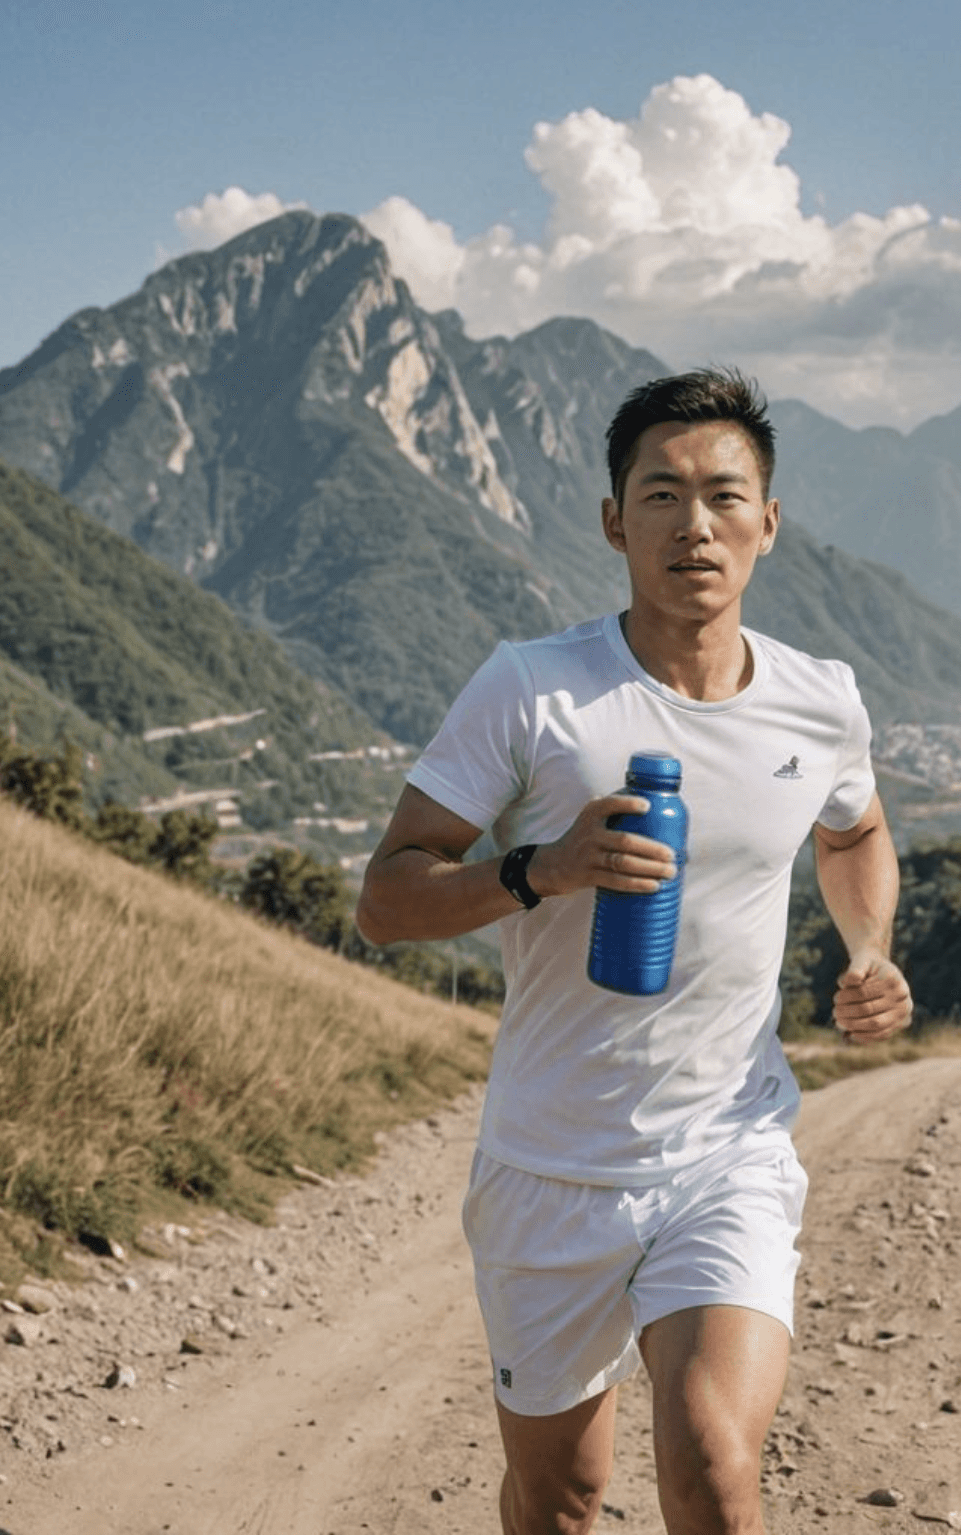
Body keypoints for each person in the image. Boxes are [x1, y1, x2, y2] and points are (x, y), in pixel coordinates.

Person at [355, 367, 912, 1535]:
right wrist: (537, 871)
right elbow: (386, 901)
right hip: (549, 1164)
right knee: (562, 1498)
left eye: (723, 495)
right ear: (615, 522)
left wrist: (868, 948)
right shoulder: (532, 689)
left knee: (712, 1465)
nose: (693, 524)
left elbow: (854, 830)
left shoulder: (823, 701)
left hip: (728, 1149)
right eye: (660, 495)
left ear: (767, 522)